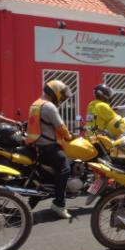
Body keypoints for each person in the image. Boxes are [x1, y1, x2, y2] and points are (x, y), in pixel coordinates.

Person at [26, 80, 74, 219]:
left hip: (36, 145)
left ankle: (33, 201)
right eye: (62, 95)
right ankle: (59, 204)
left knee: (49, 175)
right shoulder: (49, 107)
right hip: (48, 146)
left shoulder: (36, 104)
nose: (63, 98)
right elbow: (60, 127)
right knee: (65, 169)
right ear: (55, 93)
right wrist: (69, 136)